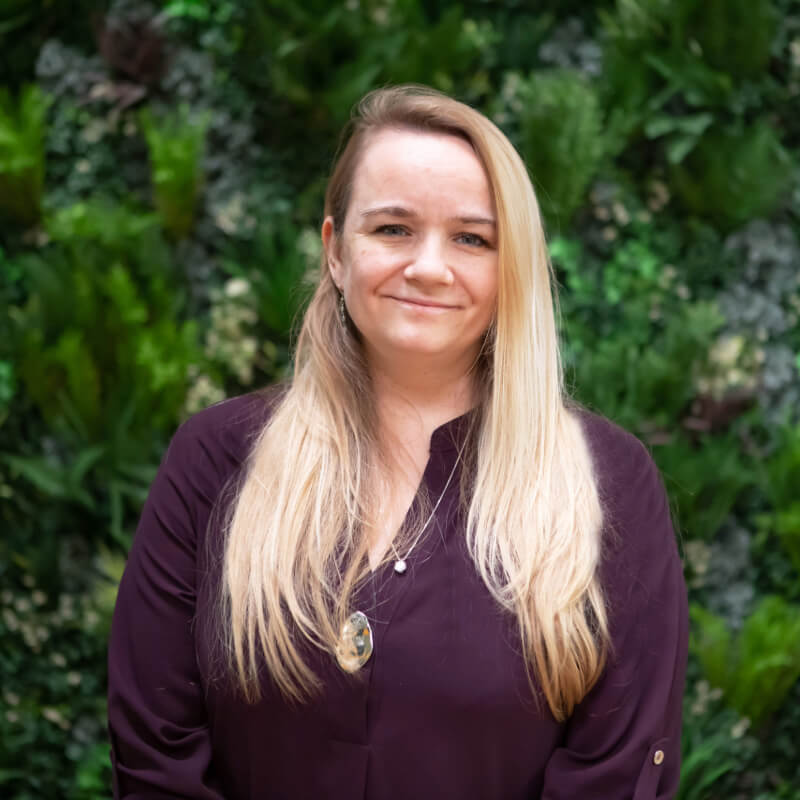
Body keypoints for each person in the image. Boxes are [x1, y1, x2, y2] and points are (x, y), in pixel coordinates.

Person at [108, 85, 688, 799]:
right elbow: (156, 756)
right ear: (335, 251)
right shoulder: (216, 461)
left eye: (471, 238)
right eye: (392, 229)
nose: (428, 267)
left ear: (511, 271)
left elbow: (617, 774)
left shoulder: (610, 484)